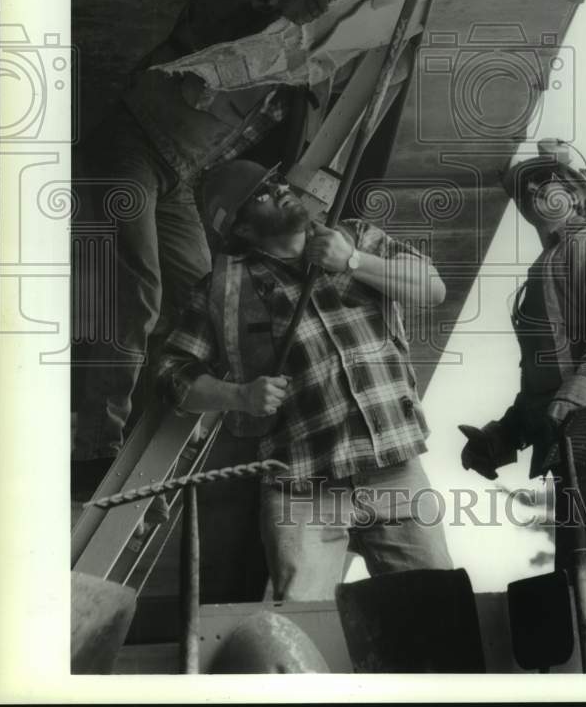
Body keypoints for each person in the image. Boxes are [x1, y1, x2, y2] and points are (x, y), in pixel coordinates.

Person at [71, 0, 331, 494]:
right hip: (130, 146)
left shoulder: (299, 84)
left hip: (177, 178)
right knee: (134, 286)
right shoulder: (250, 22)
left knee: (205, 299)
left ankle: (168, 421)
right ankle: (92, 445)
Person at [155, 159, 454, 600]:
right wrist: (237, 395)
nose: (279, 189)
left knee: (436, 608)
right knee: (302, 622)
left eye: (275, 181)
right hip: (301, 484)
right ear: (242, 229)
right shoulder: (222, 289)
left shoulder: (354, 235)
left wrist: (352, 261)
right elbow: (170, 374)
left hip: (394, 465)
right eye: (261, 193)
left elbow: (432, 287)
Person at [459, 139, 586, 583]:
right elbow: (545, 382)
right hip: (578, 431)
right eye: (525, 190)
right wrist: (504, 435)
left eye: (546, 182)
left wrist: (581, 394)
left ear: (578, 194)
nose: (534, 195)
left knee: (584, 577)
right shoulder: (548, 264)